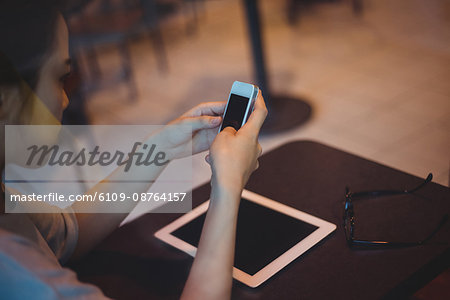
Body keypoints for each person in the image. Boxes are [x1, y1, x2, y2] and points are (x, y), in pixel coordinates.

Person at [0, 1, 267, 299]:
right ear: (5, 101)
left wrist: (161, 147)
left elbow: (65, 236)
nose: (64, 99)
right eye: (60, 77)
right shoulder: (11, 264)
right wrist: (227, 188)